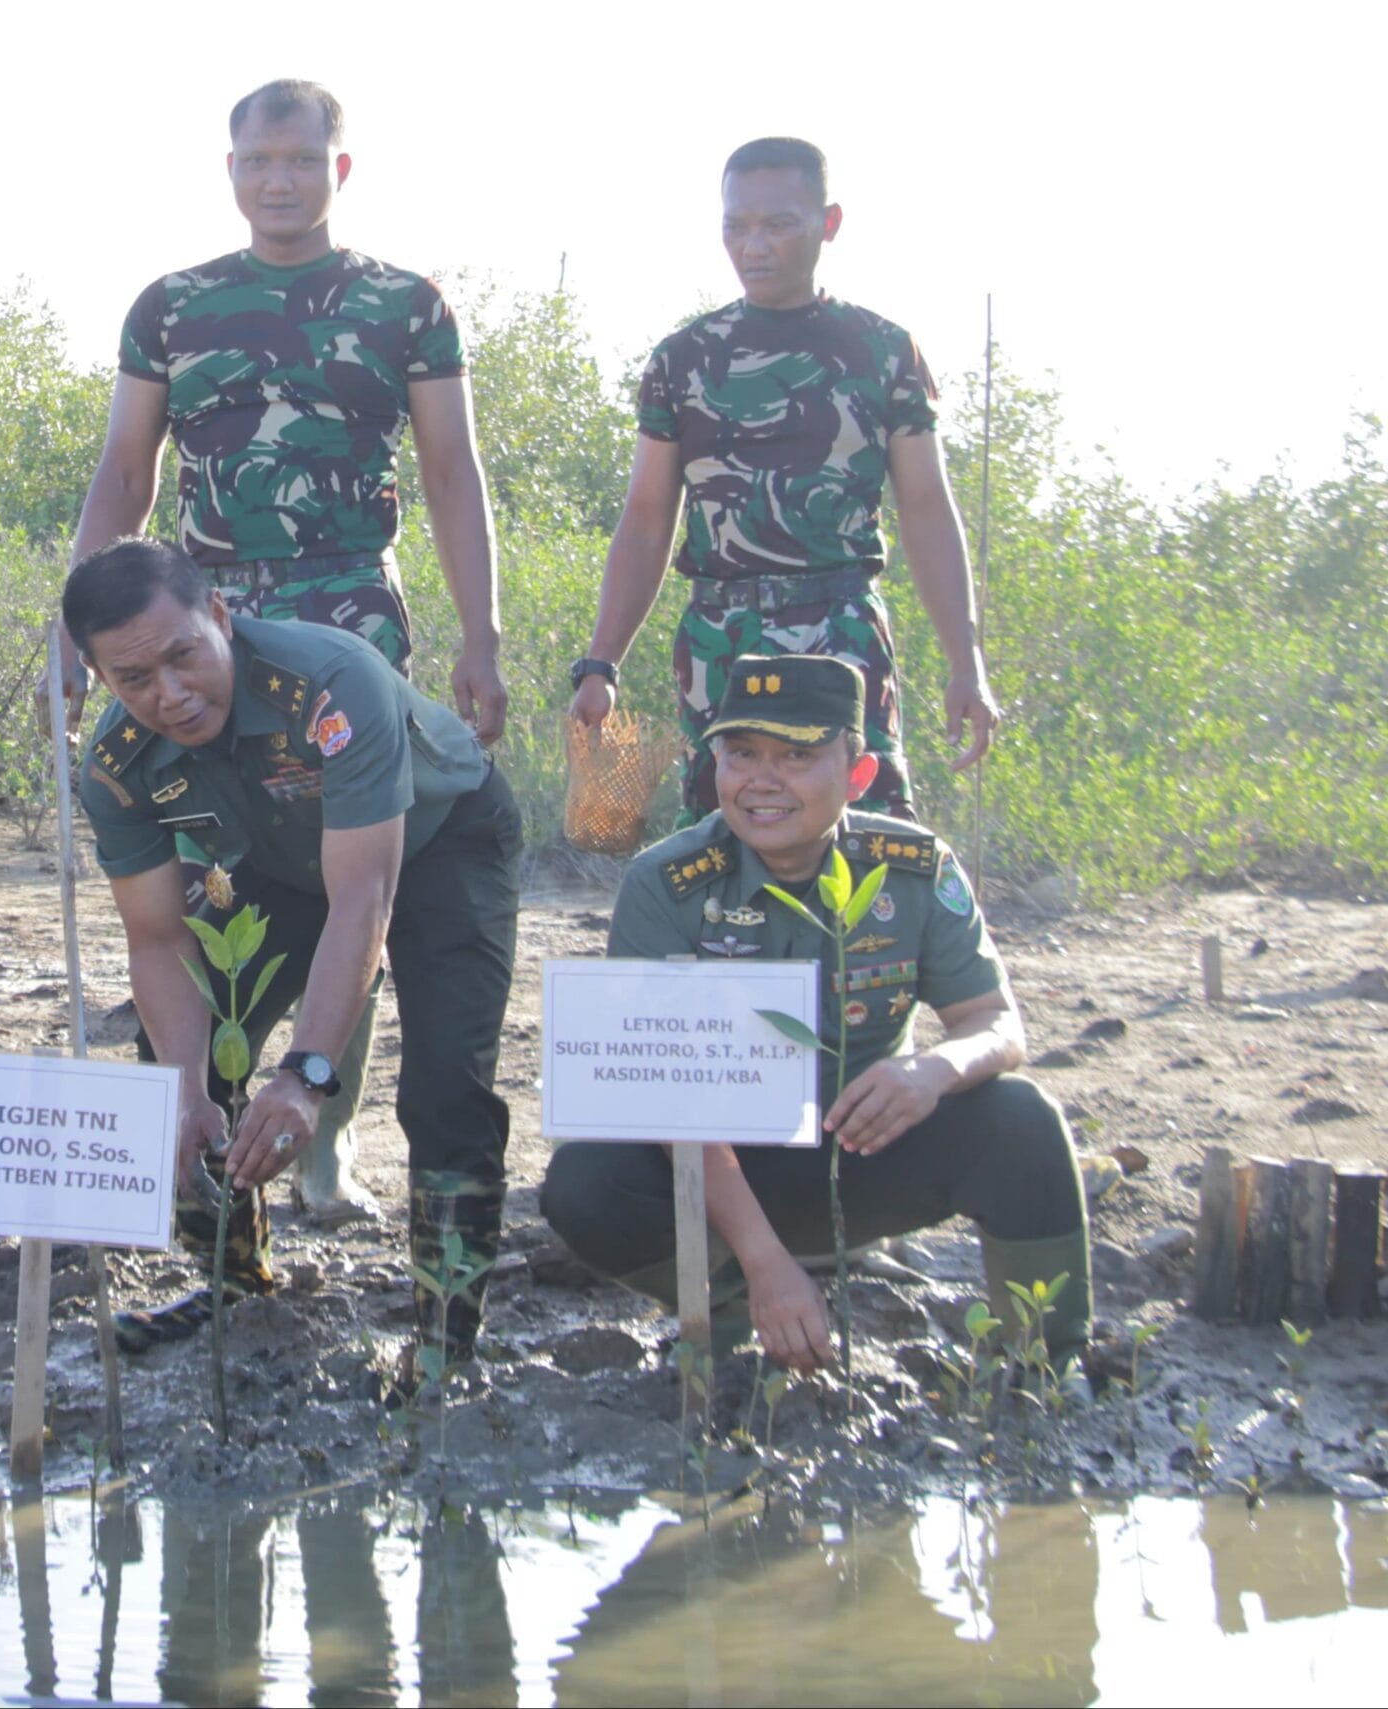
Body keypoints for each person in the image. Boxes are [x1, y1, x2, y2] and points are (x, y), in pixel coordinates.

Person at [64, 76, 509, 1224]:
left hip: (351, 621)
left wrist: (481, 632)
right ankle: (206, 1109)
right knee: (236, 888)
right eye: (259, 161)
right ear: (231, 170)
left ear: (337, 170)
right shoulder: (171, 307)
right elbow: (125, 469)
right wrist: (79, 631)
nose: (280, 180)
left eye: (302, 161)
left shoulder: (405, 305)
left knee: (355, 876)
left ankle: (327, 1132)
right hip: (194, 627)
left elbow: (452, 470)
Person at [539, 654, 1088, 1371]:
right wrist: (766, 1264)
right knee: (586, 1180)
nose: (763, 780)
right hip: (725, 1173)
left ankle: (1043, 1366)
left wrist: (930, 1071)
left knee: (1024, 1122)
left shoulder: (913, 869)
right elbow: (664, 1098)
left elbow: (996, 1022)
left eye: (796, 756)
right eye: (742, 754)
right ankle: (740, 1312)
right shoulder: (667, 884)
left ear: (857, 774)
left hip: (863, 1154)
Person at [67, 539, 520, 1383]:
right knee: (183, 1059)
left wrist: (307, 1076)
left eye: (184, 656)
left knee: (445, 1087)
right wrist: (189, 1090)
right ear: (101, 679)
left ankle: (446, 1336)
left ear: (223, 619)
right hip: (283, 861)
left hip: (443, 839)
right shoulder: (115, 766)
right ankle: (234, 1283)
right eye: (134, 679)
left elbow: (364, 900)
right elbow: (158, 939)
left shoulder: (328, 683)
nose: (169, 693)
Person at [568, 137, 998, 822]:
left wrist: (964, 662)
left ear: (829, 224)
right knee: (723, 839)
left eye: (778, 225)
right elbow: (648, 519)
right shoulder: (684, 361)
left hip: (842, 629)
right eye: (736, 226)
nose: (754, 246)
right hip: (722, 638)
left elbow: (925, 508)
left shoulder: (883, 351)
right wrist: (600, 664)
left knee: (864, 832)